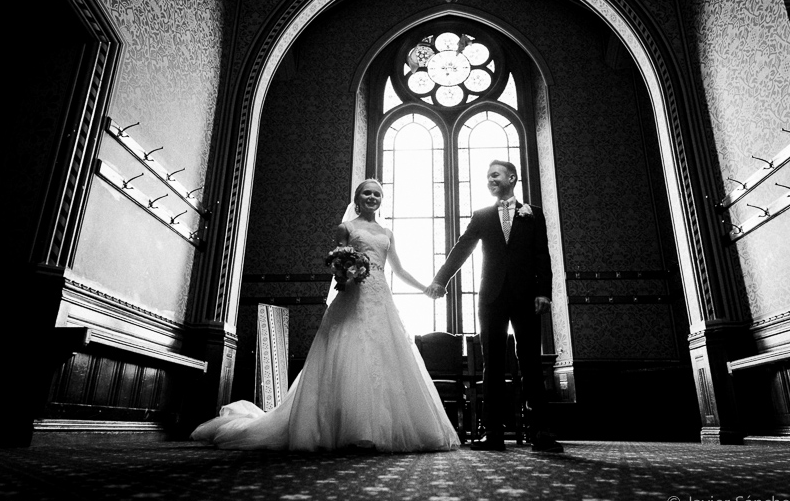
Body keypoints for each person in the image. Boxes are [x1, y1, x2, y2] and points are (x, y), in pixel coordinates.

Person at [192, 179, 459, 452]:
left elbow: (399, 270)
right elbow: (337, 262)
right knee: (350, 353)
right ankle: (350, 430)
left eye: (377, 194)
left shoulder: (387, 233)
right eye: (367, 193)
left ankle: (380, 429)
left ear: (382, 199)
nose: (372, 197)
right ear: (357, 198)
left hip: (381, 299)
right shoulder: (347, 228)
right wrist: (345, 272)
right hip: (353, 296)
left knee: (385, 355)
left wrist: (426, 288)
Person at [426, 160, 562, 453]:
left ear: (512, 178)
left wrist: (544, 293)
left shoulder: (533, 214)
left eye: (495, 175)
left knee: (530, 362)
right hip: (491, 297)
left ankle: (541, 431)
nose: (490, 180)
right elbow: (461, 248)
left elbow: (542, 255)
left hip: (527, 296)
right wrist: (440, 281)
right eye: (487, 177)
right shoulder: (482, 216)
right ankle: (493, 432)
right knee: (493, 365)